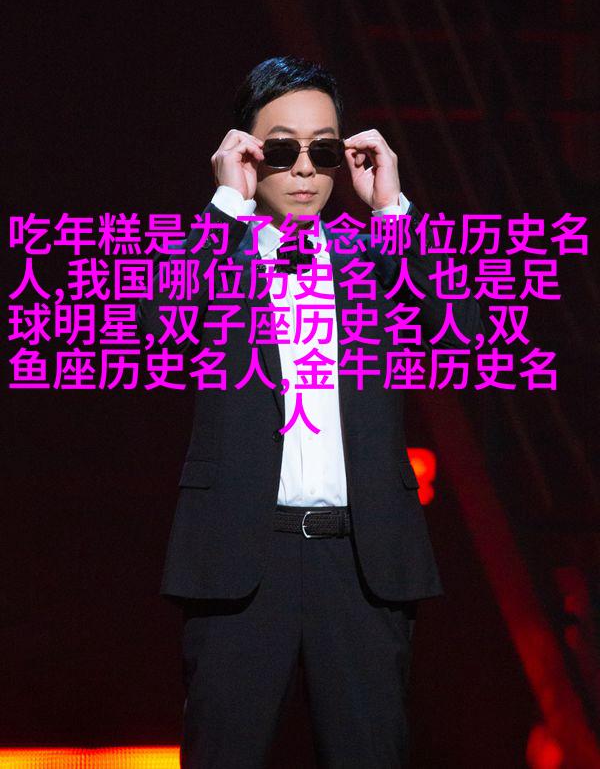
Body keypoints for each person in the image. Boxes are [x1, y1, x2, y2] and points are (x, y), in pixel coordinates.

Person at [136, 55, 483, 768]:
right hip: (239, 560)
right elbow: (152, 331)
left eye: (323, 150)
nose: (303, 168)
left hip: (361, 563)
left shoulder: (375, 256)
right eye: (280, 148)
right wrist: (225, 207)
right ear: (245, 151)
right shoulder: (214, 252)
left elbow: (468, 332)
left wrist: (392, 210)